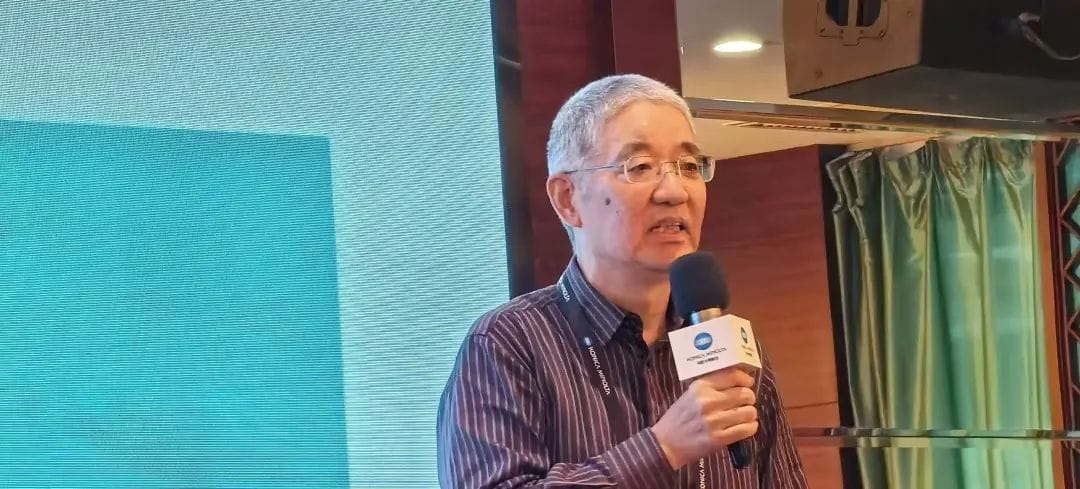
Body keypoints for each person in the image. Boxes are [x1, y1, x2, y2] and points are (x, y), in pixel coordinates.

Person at [437, 74, 807, 488]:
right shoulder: (506, 344)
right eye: (640, 167)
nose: (674, 191)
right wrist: (662, 449)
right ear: (567, 199)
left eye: (689, 166)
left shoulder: (729, 346)